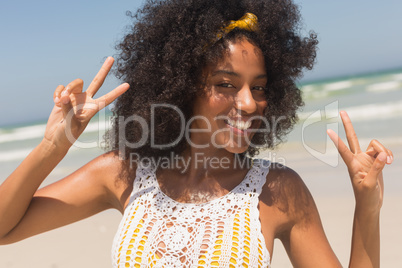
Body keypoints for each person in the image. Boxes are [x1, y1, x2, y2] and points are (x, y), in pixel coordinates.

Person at [0, 0, 394, 267]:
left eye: (258, 88)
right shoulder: (123, 173)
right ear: (182, 86)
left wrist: (368, 205)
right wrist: (52, 146)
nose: (249, 103)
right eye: (226, 84)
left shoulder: (279, 191)